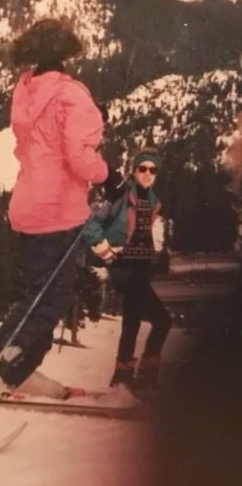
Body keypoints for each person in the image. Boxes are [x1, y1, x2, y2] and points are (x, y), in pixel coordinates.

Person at [0, 17, 115, 397]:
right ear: (66, 52)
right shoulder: (73, 94)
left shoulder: (25, 90)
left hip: (28, 206)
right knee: (47, 301)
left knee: (38, 295)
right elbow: (79, 157)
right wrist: (108, 174)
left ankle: (16, 370)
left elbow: (41, 141)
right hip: (59, 208)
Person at [84, 148, 172, 391]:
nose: (147, 173)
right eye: (143, 168)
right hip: (122, 265)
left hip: (142, 268)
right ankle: (144, 376)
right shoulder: (120, 196)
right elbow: (90, 222)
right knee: (163, 320)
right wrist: (103, 249)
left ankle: (123, 377)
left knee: (132, 320)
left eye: (152, 170)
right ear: (134, 171)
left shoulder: (154, 201)